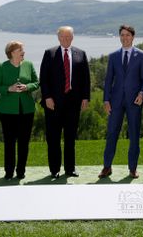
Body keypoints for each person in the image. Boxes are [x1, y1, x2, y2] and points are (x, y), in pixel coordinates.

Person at [99, 24, 143, 179]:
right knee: (112, 133)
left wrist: (142, 94)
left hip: (135, 101)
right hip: (115, 102)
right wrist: (106, 100)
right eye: (122, 35)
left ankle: (133, 169)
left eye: (127, 35)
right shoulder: (113, 56)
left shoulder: (142, 55)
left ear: (133, 37)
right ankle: (107, 167)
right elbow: (108, 80)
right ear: (119, 37)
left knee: (134, 135)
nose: (124, 38)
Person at [40, 26, 90, 178]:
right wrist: (47, 97)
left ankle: (70, 169)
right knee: (53, 138)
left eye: (68, 37)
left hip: (73, 105)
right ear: (58, 38)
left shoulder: (81, 54)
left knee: (70, 138)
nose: (66, 39)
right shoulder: (49, 53)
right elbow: (44, 78)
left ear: (72, 37)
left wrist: (85, 97)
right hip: (53, 104)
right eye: (63, 37)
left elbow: (86, 79)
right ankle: (54, 170)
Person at [0, 41, 39, 180]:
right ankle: (9, 171)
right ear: (12, 52)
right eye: (20, 49)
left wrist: (27, 87)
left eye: (22, 49)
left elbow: (36, 82)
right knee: (9, 142)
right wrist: (8, 88)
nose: (23, 52)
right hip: (7, 111)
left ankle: (21, 171)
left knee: (24, 142)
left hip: (27, 110)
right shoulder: (2, 66)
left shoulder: (29, 65)